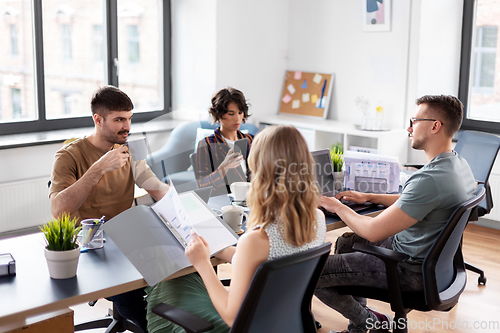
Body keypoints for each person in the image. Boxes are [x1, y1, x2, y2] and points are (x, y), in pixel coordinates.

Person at [315, 95, 476, 333]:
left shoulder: (430, 179)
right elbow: (416, 199)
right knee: (346, 242)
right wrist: (369, 197)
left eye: (414, 120)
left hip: (408, 270)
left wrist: (337, 206)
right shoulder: (457, 165)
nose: (409, 128)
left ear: (435, 126)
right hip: (428, 262)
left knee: (312, 272)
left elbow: (371, 231)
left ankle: (368, 320)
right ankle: (359, 329)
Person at [145, 125, 327, 332]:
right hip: (281, 323)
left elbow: (233, 317)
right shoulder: (316, 219)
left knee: (166, 284)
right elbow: (268, 258)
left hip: (243, 326)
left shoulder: (258, 239)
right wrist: (218, 248)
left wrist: (203, 263)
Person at [49, 85, 168, 333]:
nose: (127, 126)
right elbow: (59, 210)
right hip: (90, 245)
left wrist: (189, 201)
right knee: (132, 296)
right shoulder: (68, 156)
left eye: (129, 119)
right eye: (119, 120)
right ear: (98, 119)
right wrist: (98, 168)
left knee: (179, 275)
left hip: (127, 240)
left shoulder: (130, 149)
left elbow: (157, 189)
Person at [194, 87, 254, 196]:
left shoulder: (251, 140)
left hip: (252, 200)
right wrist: (223, 168)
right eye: (231, 114)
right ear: (219, 114)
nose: (237, 118)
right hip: (224, 203)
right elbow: (202, 186)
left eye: (240, 113)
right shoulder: (207, 144)